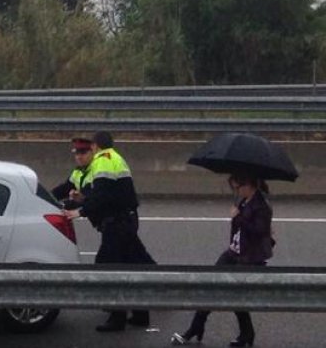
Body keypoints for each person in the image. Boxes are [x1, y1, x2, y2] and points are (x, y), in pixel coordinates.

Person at [63, 130, 156, 332]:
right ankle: (141, 313)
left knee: (108, 267)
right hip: (124, 219)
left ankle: (117, 318)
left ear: (95, 146)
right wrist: (83, 201)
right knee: (134, 264)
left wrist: (81, 211)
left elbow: (103, 196)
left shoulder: (103, 161)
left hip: (117, 223)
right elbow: (106, 194)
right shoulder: (114, 158)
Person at [171, 174, 274, 347]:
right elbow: (239, 230)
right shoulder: (245, 201)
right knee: (211, 285)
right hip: (234, 252)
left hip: (248, 257)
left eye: (237, 187)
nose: (236, 191)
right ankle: (198, 326)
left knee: (234, 295)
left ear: (248, 185)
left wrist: (238, 217)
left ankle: (245, 333)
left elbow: (259, 232)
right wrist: (237, 218)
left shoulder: (261, 205)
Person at [52, 137, 94, 209]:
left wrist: (62, 205)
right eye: (77, 154)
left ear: (93, 152)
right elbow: (65, 188)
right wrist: (48, 198)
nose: (79, 157)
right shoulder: (78, 171)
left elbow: (84, 197)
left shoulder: (98, 171)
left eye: (83, 153)